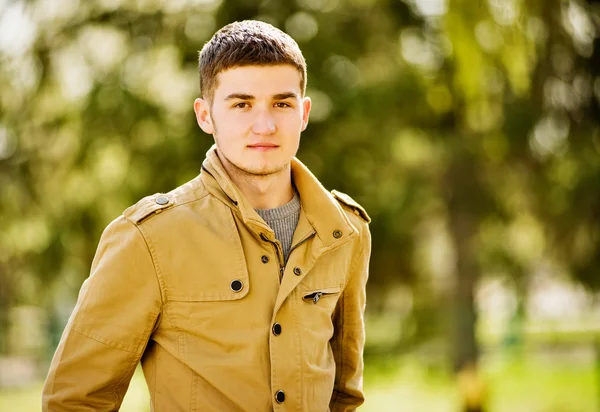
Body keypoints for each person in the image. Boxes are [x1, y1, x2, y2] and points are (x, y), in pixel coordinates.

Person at [42, 20, 371, 411]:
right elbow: (75, 401)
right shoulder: (147, 238)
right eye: (241, 104)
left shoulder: (346, 231)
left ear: (303, 113)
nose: (264, 125)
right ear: (205, 115)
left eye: (282, 103)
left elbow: (344, 396)